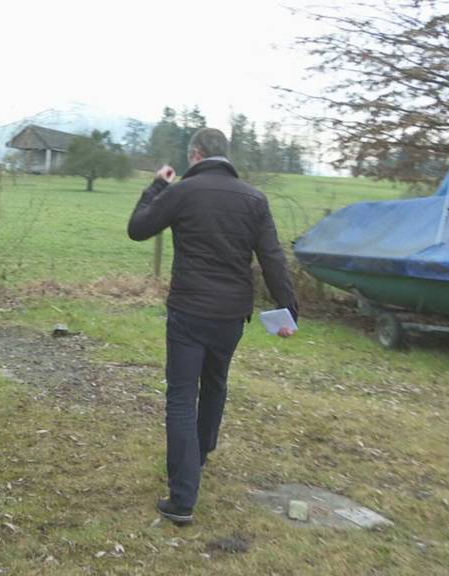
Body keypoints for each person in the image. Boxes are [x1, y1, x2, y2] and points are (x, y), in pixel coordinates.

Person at [127, 127, 298, 525]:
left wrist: (155, 186)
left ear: (196, 155)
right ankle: (198, 457)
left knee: (182, 397)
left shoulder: (181, 192)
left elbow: (138, 228)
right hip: (230, 316)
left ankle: (183, 498)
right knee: (215, 384)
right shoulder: (254, 198)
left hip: (189, 312)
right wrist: (287, 311)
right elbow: (272, 258)